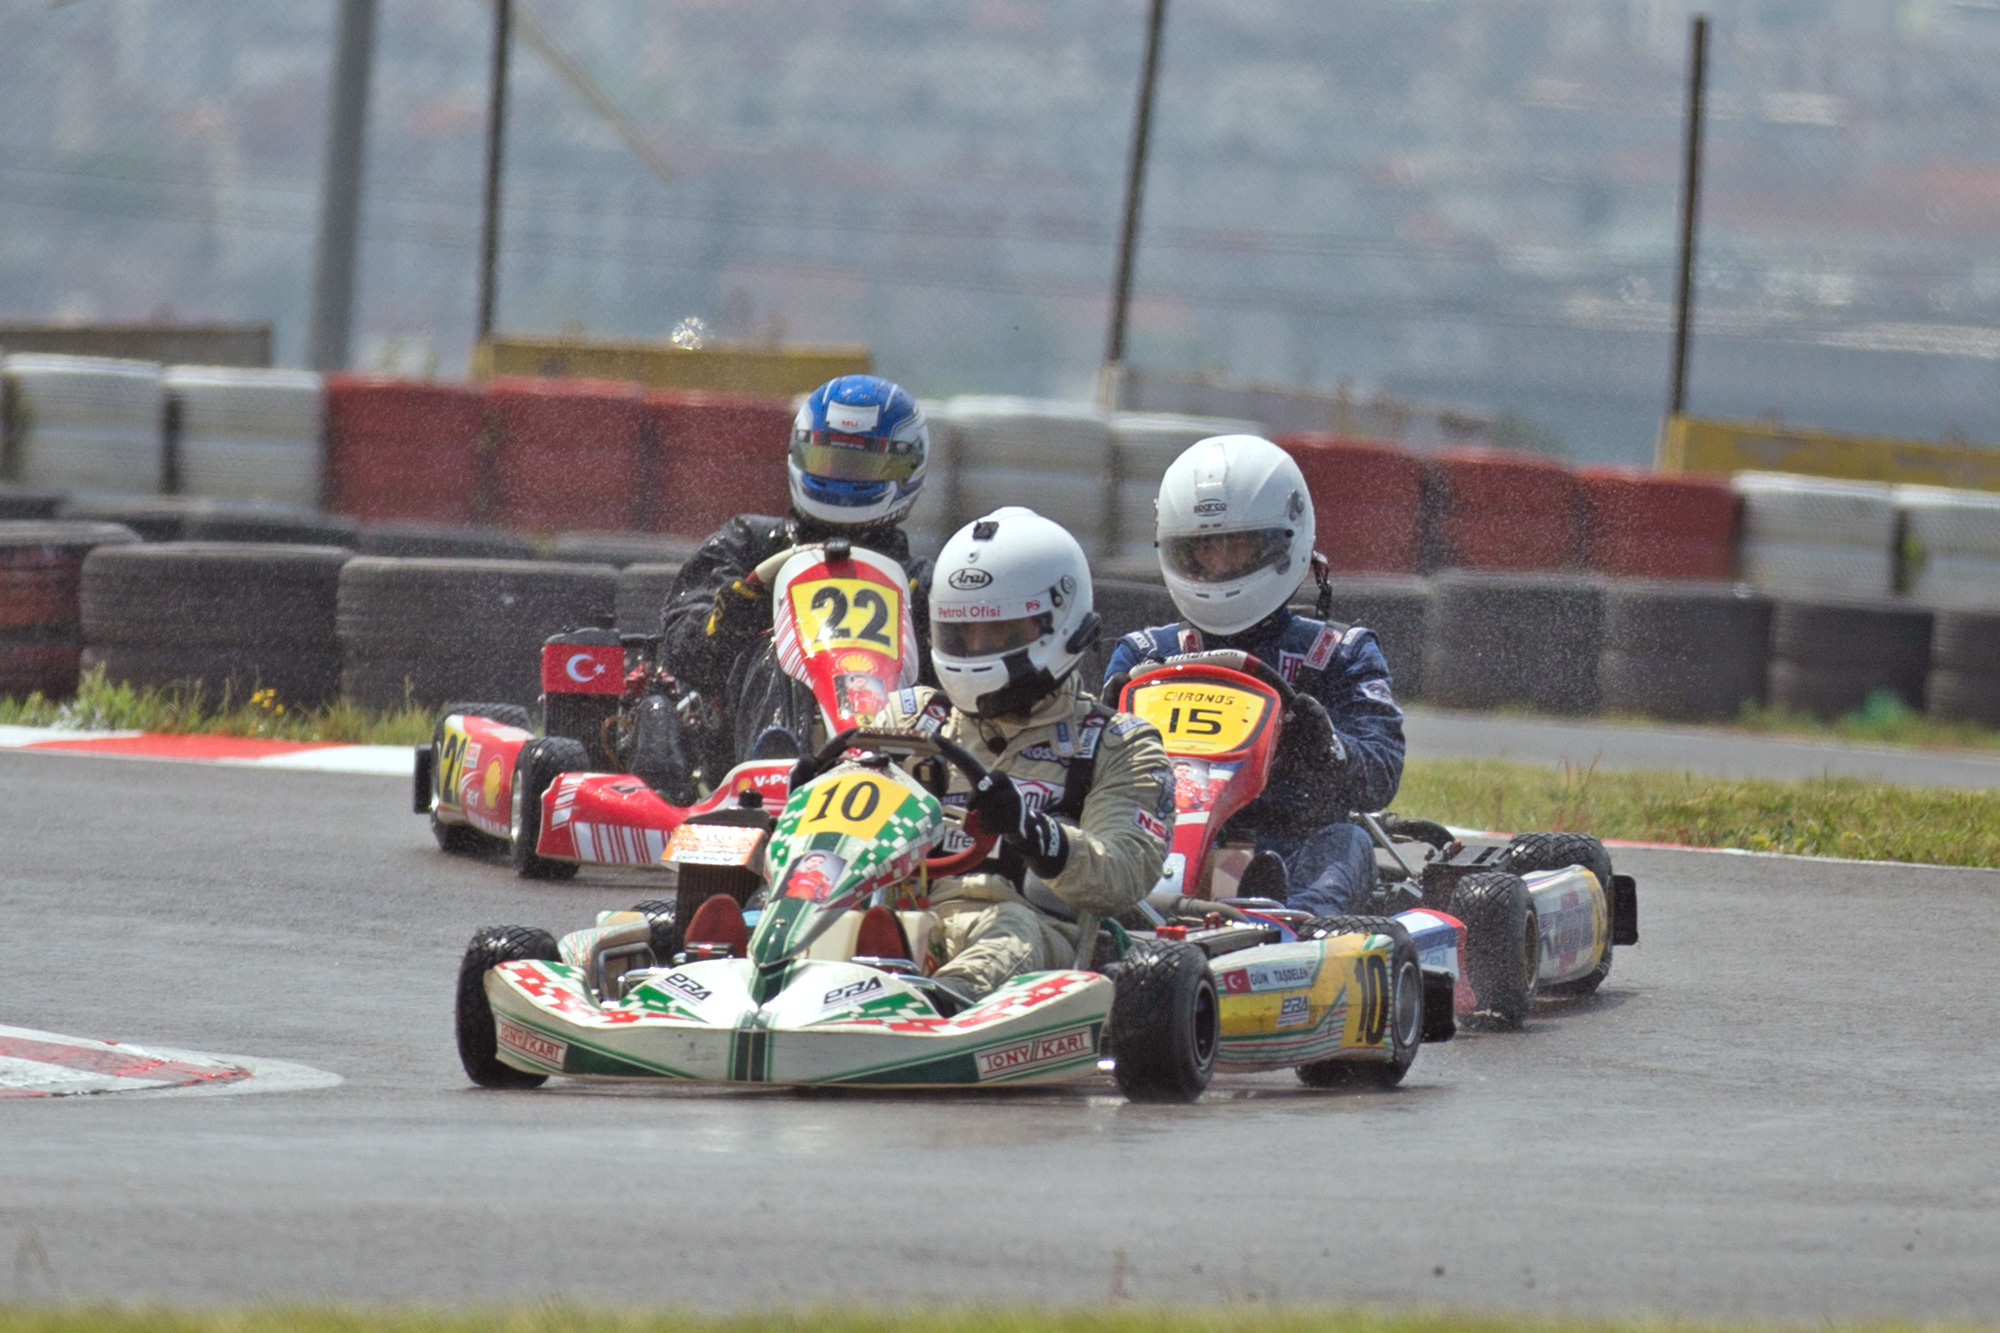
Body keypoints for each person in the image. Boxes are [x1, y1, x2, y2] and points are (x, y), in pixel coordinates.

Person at [872, 507, 1175, 1009]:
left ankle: (940, 1006)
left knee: (1009, 926)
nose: (977, 648)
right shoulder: (911, 720)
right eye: (962, 633)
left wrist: (1034, 833)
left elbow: (1124, 874)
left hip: (1039, 939)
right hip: (908, 918)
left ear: (1060, 625)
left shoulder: (1115, 742)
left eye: (1001, 633)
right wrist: (812, 793)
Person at [1102, 434, 1406, 917]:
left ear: (1283, 542)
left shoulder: (1336, 654)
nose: (1221, 565)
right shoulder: (1145, 657)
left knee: (1348, 843)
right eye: (1205, 549)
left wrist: (1326, 745)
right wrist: (1104, 729)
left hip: (1288, 851)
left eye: (1239, 547)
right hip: (1157, 843)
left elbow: (1381, 775)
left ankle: (1296, 930)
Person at [658, 374, 933, 775]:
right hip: (738, 758)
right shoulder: (748, 543)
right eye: (829, 461)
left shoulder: (920, 584)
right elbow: (682, 656)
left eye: (861, 465)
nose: (842, 480)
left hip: (897, 762)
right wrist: (732, 620)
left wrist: (923, 631)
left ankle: (887, 769)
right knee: (780, 654)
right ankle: (774, 768)